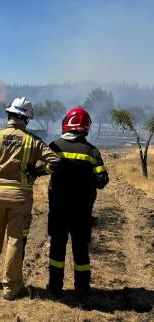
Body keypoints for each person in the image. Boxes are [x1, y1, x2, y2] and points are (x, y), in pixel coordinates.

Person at [0, 97, 61, 300]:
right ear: (27, 119)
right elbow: (56, 161)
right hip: (20, 197)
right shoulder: (33, 140)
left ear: (9, 115)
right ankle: (12, 288)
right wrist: (37, 171)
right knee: (15, 240)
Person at [46, 107, 109, 298]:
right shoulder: (92, 151)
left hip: (58, 210)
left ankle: (55, 287)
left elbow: (46, 169)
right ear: (86, 126)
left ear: (67, 123)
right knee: (80, 250)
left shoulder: (55, 146)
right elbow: (102, 181)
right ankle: (82, 289)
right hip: (81, 212)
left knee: (57, 247)